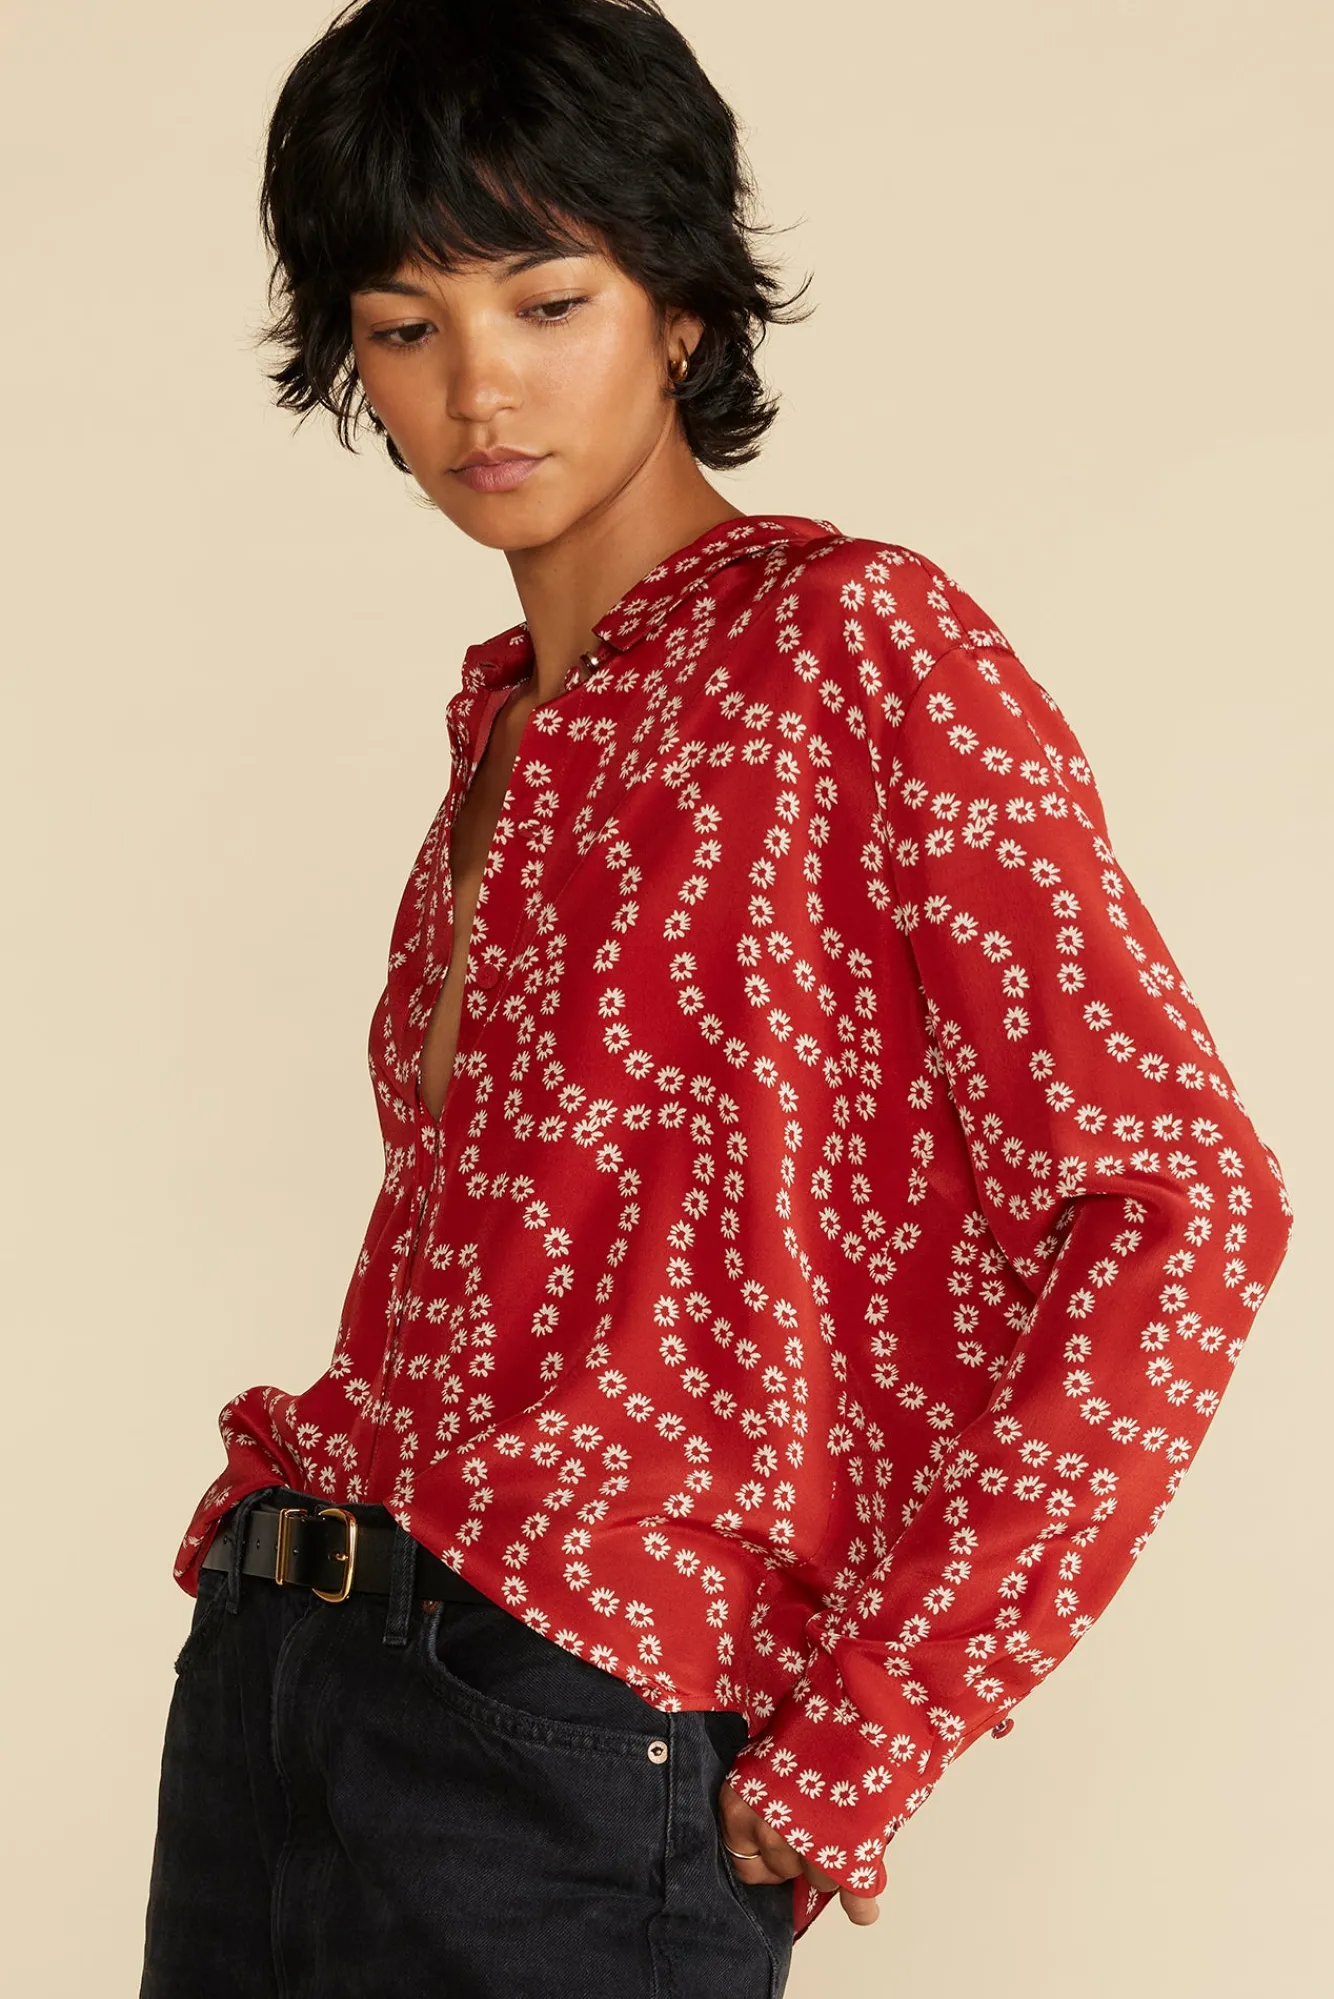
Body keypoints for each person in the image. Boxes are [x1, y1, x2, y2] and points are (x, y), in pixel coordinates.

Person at [138, 3, 1295, 1995]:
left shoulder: (854, 646)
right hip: (281, 1678)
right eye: (403, 326)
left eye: (547, 300)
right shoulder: (502, 731)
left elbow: (1184, 1200)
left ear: (678, 308)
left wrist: (881, 1720)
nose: (477, 386)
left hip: (568, 1728)